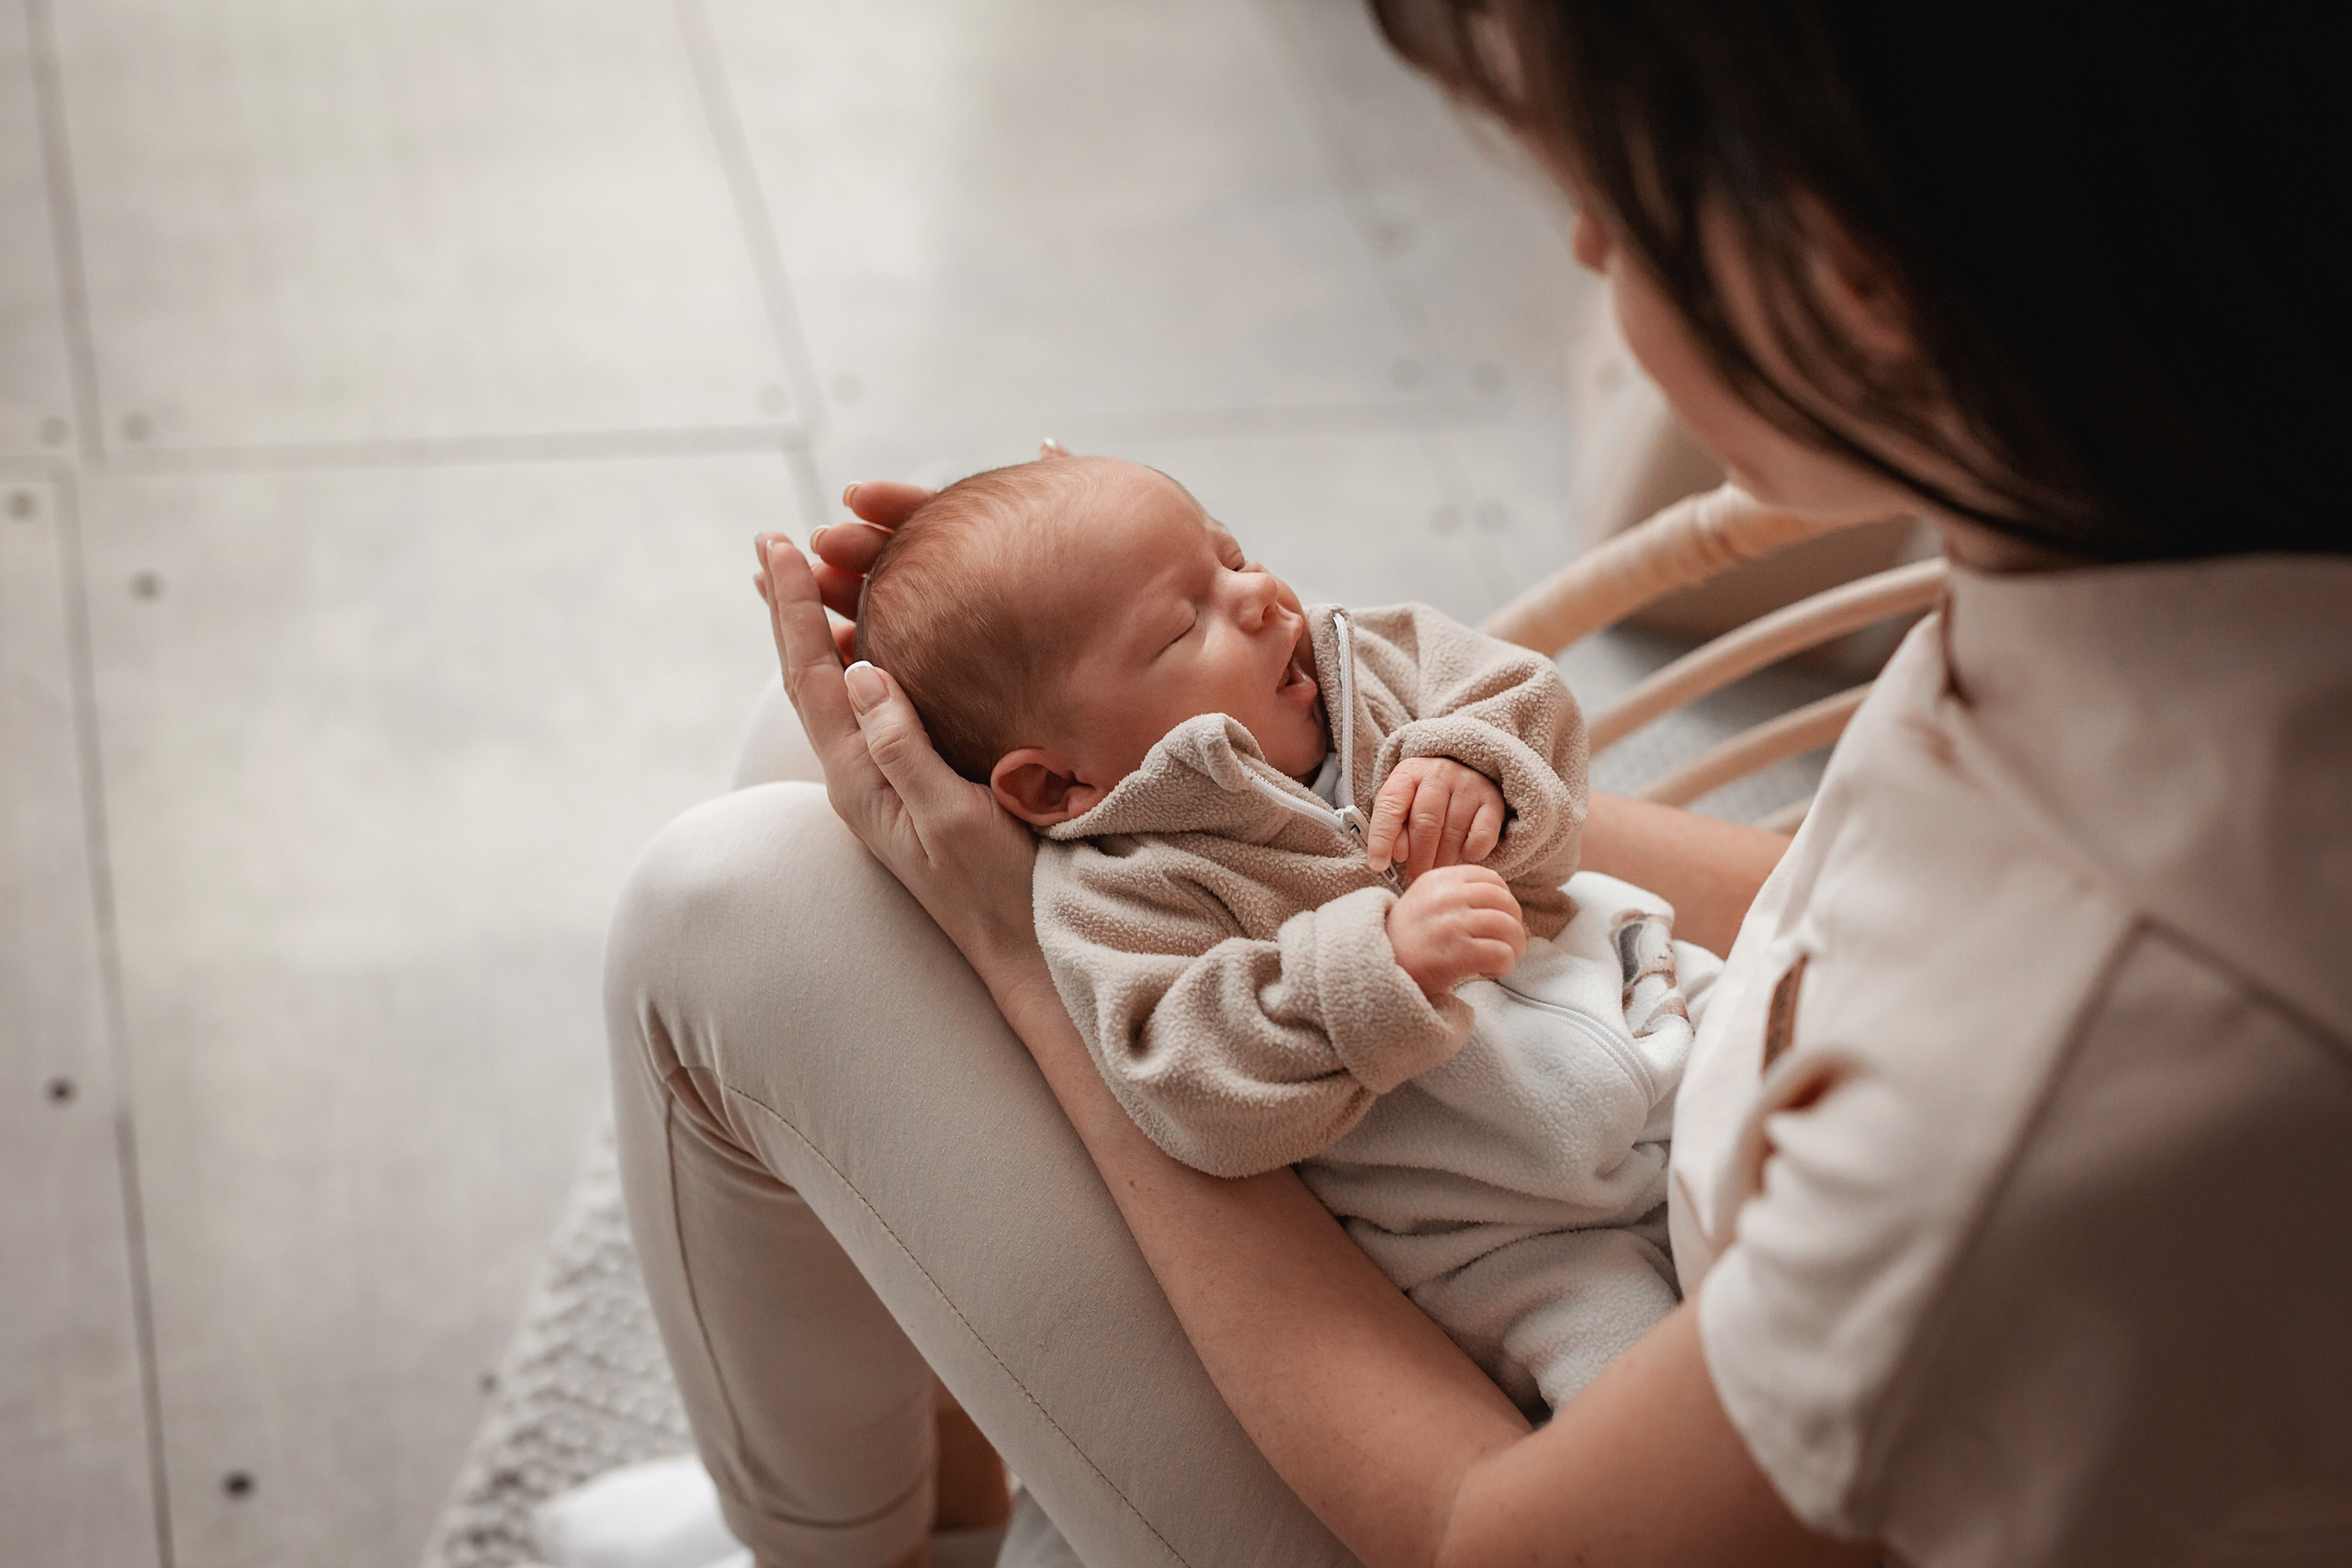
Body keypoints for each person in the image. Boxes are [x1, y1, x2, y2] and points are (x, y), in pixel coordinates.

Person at [609, 5, 2351, 1565]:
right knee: (854, 759)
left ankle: (836, 1545)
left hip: (1555, 1407)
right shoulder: (2151, 556)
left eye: (1616, 208)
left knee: (736, 908)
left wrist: (1020, 943)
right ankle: (920, 1506)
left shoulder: (2069, 1090)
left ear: (1848, 272)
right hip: (1650, 1140)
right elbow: (1844, 878)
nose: (1588, 244)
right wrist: (1320, 780)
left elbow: (1491, 1532)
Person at [853, 451, 1716, 1419]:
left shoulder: (1375, 664)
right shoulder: (1124, 892)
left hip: (1663, 1010)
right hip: (1507, 1236)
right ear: (1058, 786)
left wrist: (1473, 763)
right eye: (1186, 620)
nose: (1259, 595)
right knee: (1645, 1407)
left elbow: (1526, 698)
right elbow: (1187, 1080)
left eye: (1231, 555)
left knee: (1834, 1143)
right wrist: (1374, 968)